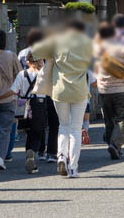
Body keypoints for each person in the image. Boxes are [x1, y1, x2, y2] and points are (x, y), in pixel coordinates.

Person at [31, 20, 93, 178]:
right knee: (76, 128)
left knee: (63, 126)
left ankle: (61, 157)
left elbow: (35, 51)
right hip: (79, 90)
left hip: (60, 90)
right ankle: (73, 168)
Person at [94, 24, 124, 160]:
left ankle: (114, 147)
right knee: (123, 118)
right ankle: (115, 145)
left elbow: (94, 71)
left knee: (109, 121)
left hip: (104, 90)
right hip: (122, 90)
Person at [2, 54, 45, 174]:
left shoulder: (22, 74)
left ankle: (30, 157)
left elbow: (13, 90)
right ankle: (32, 152)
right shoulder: (43, 74)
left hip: (24, 106)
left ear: (28, 62)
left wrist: (0, 97)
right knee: (38, 133)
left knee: (29, 133)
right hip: (39, 104)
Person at [0, 28, 21, 171]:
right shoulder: (11, 56)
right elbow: (20, 75)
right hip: (7, 98)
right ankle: (0, 157)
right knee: (4, 130)